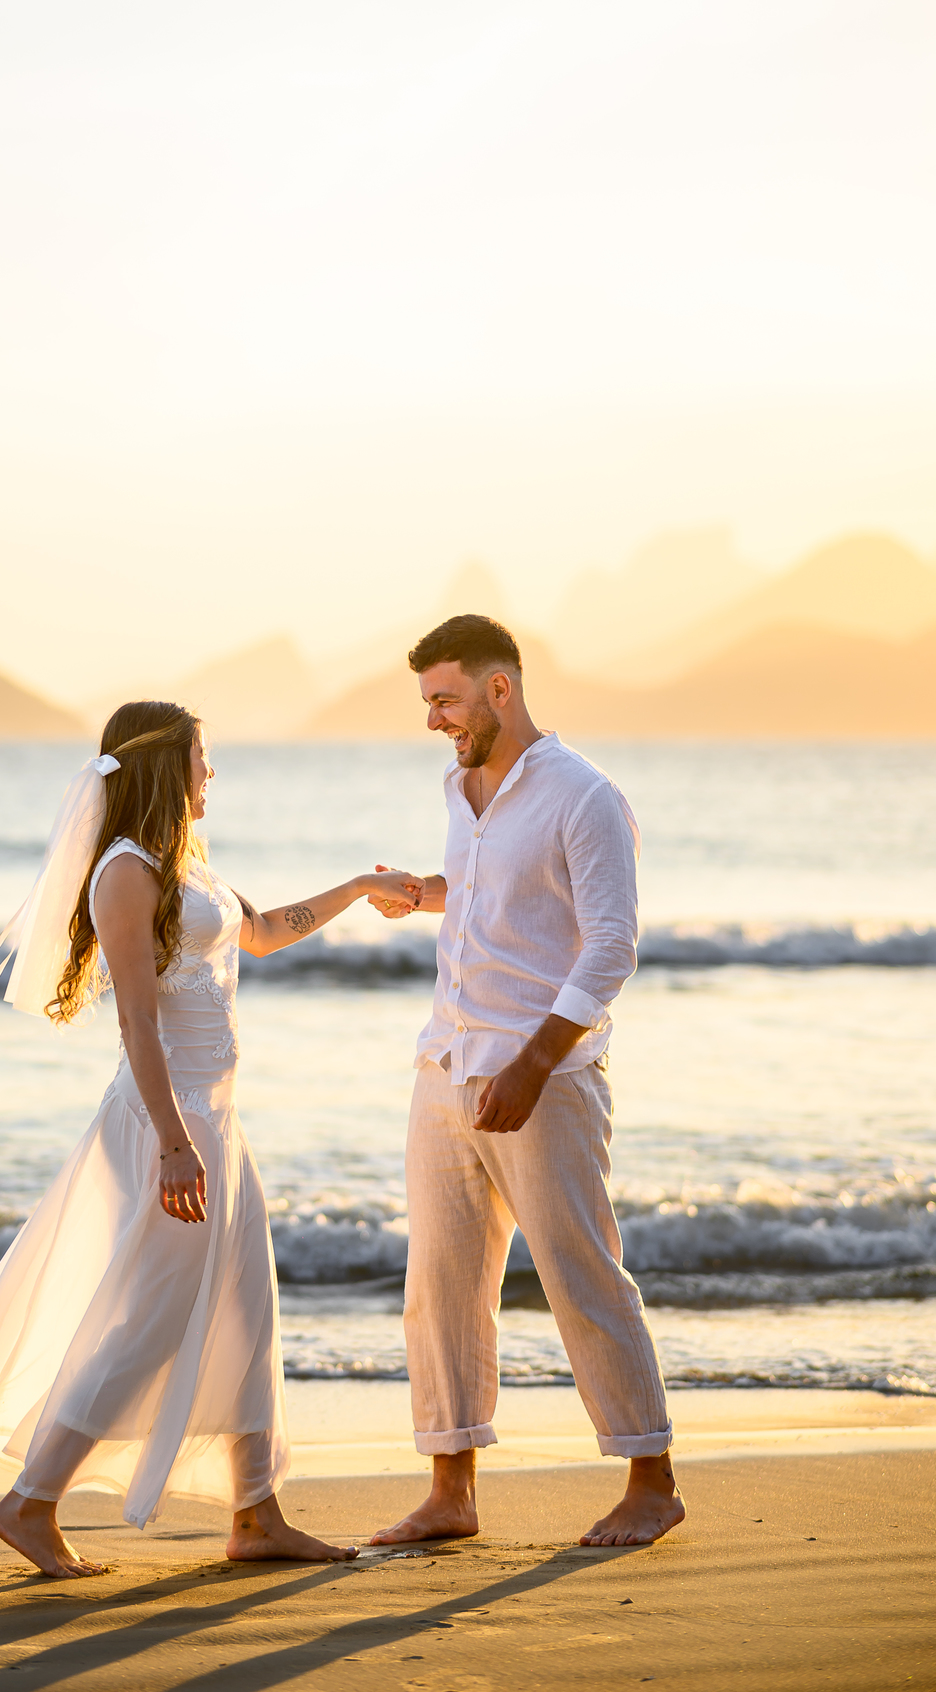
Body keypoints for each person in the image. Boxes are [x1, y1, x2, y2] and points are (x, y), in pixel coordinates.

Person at [0, 700, 422, 1577]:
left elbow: (259, 934)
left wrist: (361, 888)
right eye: (202, 760)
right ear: (162, 767)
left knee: (249, 1308)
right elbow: (138, 1024)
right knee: (151, 1319)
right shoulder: (126, 873)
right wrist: (177, 1145)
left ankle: (256, 1515)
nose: (211, 775)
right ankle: (30, 1502)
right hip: (165, 1123)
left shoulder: (188, 864)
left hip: (218, 1121)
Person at [366, 614, 684, 1549]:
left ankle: (650, 1478)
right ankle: (451, 1491)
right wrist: (422, 890)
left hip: (540, 1078)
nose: (434, 719)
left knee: (580, 1273)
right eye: (427, 702)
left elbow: (611, 945)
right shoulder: (462, 784)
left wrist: (534, 1064)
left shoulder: (584, 796)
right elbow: (490, 894)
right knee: (441, 1286)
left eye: (446, 699)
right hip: (446, 1068)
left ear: (500, 688)